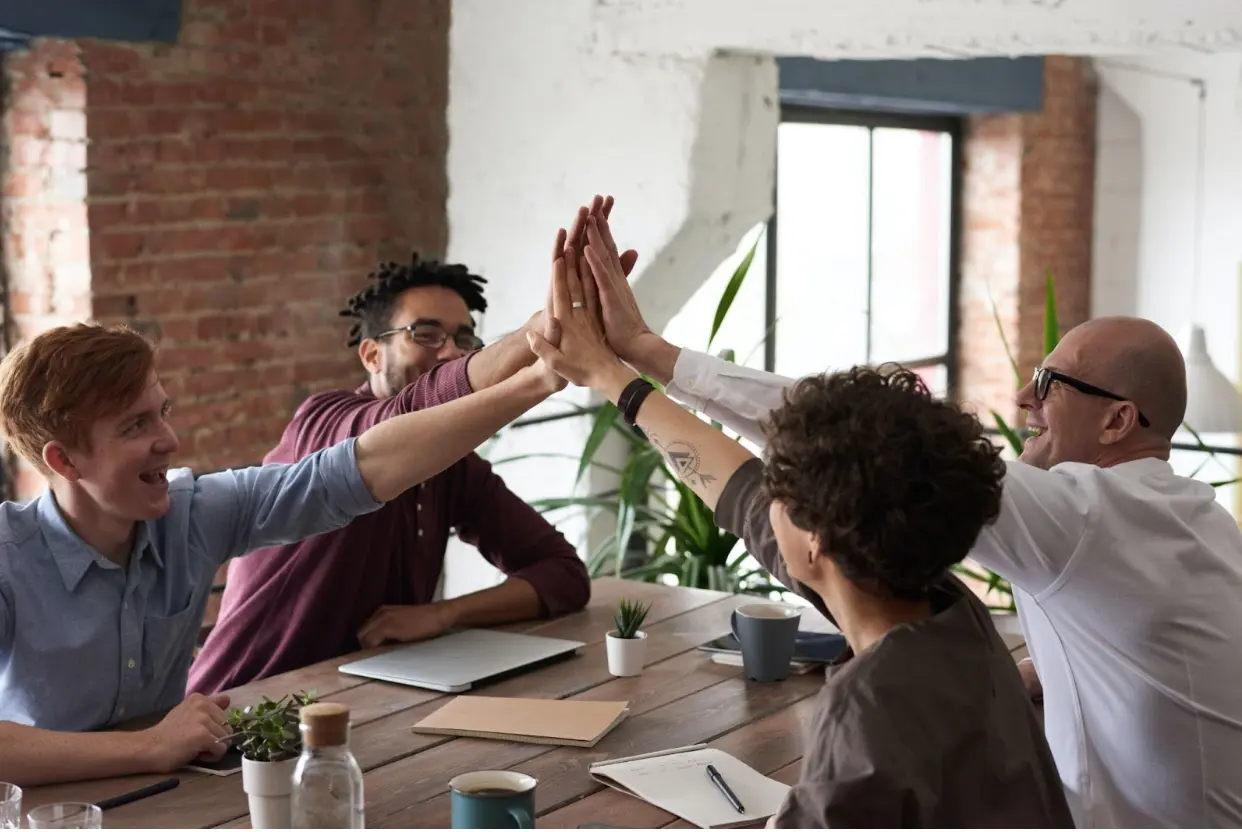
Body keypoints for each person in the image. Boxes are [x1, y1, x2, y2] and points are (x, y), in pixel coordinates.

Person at [578, 200, 1242, 827]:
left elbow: (856, 440)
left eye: (1047, 383)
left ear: (1118, 419)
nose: (1021, 396)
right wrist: (1034, 678)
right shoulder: (1187, 521)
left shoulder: (1086, 519)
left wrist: (643, 359)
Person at [524, 233, 1072, 827]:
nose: (764, 497)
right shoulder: (947, 610)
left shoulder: (871, 710)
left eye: (778, 488)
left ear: (818, 538)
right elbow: (738, 493)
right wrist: (615, 376)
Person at [0, 297, 565, 786]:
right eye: (135, 426)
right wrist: (148, 745)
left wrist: (539, 380)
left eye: (162, 413)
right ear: (64, 459)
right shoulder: (9, 555)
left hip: (174, 799)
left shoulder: (191, 514)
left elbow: (358, 469)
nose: (168, 440)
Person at [190, 216, 636, 690]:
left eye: (464, 339)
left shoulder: (454, 466)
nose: (450, 353)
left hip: (371, 707)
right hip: (242, 715)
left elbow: (563, 575)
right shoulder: (325, 421)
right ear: (371, 355)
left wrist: (443, 614)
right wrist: (538, 336)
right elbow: (409, 414)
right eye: (425, 334)